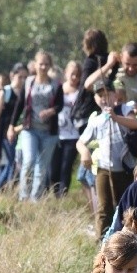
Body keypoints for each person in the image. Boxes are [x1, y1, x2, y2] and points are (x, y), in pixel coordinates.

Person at [77, 79, 137, 239]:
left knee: (127, 207)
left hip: (126, 169)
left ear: (114, 94)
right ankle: (101, 241)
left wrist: (116, 117)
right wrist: (84, 152)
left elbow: (135, 124)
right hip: (104, 169)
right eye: (100, 96)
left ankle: (127, 240)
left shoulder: (124, 109)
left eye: (107, 94)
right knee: (104, 207)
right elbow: (80, 142)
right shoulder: (96, 120)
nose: (104, 98)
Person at [8, 50, 64, 201]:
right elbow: (20, 104)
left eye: (46, 64)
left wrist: (51, 111)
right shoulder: (29, 82)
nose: (43, 67)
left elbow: (60, 105)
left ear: (50, 65)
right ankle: (23, 196)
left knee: (42, 168)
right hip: (30, 129)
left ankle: (35, 200)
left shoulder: (56, 85)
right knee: (29, 161)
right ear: (35, 64)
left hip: (49, 132)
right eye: (41, 64)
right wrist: (11, 126)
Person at [0, 62, 27, 191]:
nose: (22, 80)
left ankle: (3, 190)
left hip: (20, 132)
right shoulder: (5, 92)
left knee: (15, 163)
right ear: (12, 76)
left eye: (25, 77)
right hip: (4, 133)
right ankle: (1, 189)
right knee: (12, 162)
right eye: (20, 77)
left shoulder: (26, 93)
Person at [48, 60, 82, 197]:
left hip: (73, 135)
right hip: (56, 133)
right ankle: (54, 191)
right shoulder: (58, 89)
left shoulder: (81, 92)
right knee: (53, 168)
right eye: (72, 74)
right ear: (66, 73)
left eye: (77, 75)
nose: (74, 77)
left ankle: (62, 196)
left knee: (66, 167)